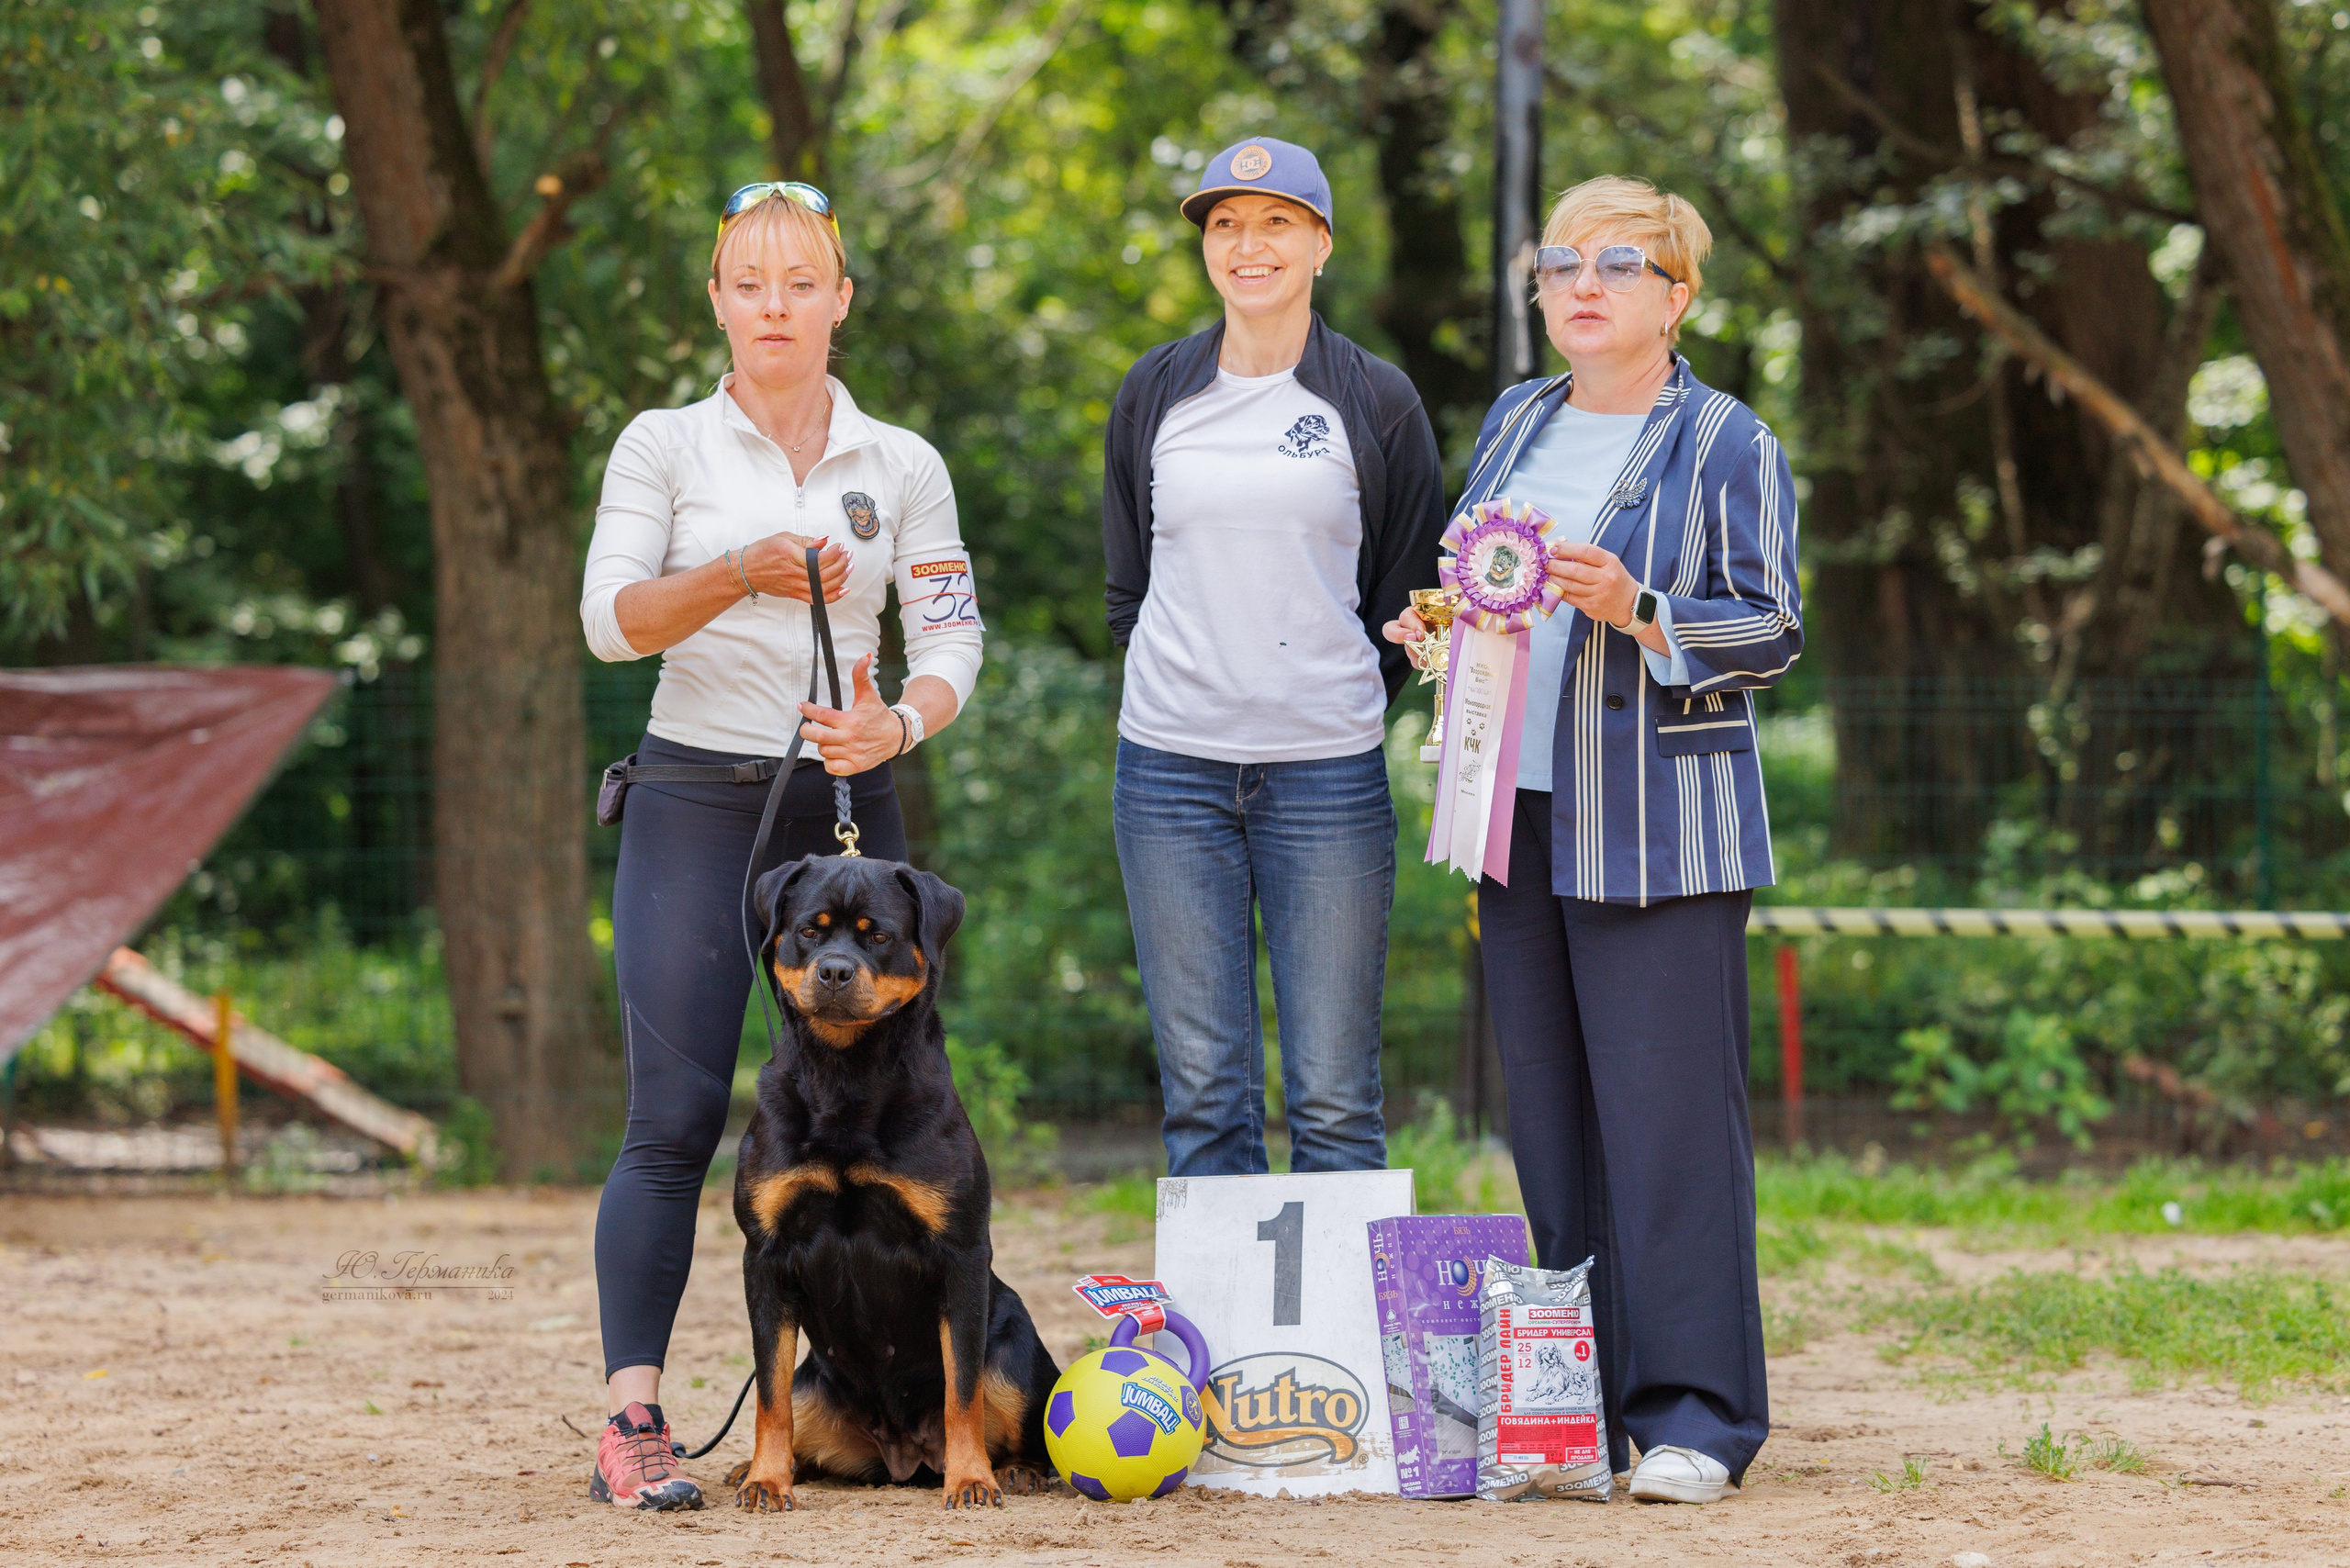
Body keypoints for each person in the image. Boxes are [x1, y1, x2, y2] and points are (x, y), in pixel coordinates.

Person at [1385, 176, 1801, 1505]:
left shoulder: (1727, 439)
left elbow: (1775, 627)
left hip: (1663, 833)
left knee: (1671, 1131)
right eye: (1560, 261)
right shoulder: (1515, 421)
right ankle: (1578, 1417)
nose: (1581, 283)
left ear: (1678, 297)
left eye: (1620, 264)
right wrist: (1434, 635)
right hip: (1519, 819)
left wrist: (1641, 605)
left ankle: (1697, 1420)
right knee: (1554, 1126)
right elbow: (1476, 587)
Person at [576, 180, 985, 1510]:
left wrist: (903, 724)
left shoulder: (902, 462)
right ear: (718, 300)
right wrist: (738, 574)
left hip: (846, 811)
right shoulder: (663, 445)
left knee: (900, 1109)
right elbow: (611, 621)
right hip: (697, 801)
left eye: (800, 281)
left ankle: (912, 1401)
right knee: (681, 1115)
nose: (774, 304)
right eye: (748, 283)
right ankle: (633, 1422)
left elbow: (952, 639)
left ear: (840, 299)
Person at [1103, 138, 1449, 1178]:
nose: (1247, 246)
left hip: (1328, 777)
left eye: (1275, 223)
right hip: (1167, 773)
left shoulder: (1377, 398)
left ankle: (1338, 1341)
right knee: (1204, 1098)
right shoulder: (1155, 391)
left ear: (1320, 243)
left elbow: (1405, 600)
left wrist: (1319, 701)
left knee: (1336, 1100)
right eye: (1224, 225)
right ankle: (1228, 1346)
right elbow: (1127, 590)